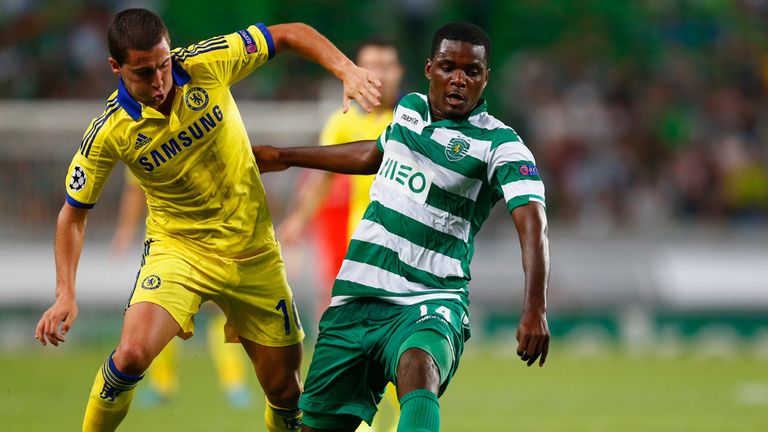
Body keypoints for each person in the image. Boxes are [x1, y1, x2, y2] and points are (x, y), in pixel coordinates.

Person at [34, 8, 381, 432]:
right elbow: (72, 215)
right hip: (179, 253)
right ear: (116, 67)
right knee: (129, 356)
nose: (159, 80)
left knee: (287, 393)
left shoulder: (207, 61)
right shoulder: (109, 131)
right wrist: (65, 293)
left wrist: (345, 69)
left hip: (255, 254)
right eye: (144, 73)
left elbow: (290, 33)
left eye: (163, 65)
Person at [252, 22, 550, 432]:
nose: (459, 79)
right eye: (448, 67)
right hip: (357, 296)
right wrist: (283, 155)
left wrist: (534, 307)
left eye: (472, 71)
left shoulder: (501, 145)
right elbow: (371, 156)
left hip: (430, 297)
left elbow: (532, 221)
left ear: (486, 77)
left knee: (419, 366)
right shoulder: (408, 110)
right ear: (429, 69)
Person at [278, 37, 404, 432]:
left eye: (387, 65)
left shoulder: (413, 120)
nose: (379, 74)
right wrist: (296, 222)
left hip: (409, 258)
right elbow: (322, 181)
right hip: (361, 258)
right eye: (371, 65)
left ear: (400, 72)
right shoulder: (342, 122)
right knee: (354, 355)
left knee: (406, 354)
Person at [111, 173, 253, 409]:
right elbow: (135, 188)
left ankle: (234, 384)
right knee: (161, 309)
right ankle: (162, 384)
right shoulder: (140, 142)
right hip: (167, 245)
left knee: (219, 308)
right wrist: (125, 230)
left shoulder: (207, 138)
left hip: (213, 237)